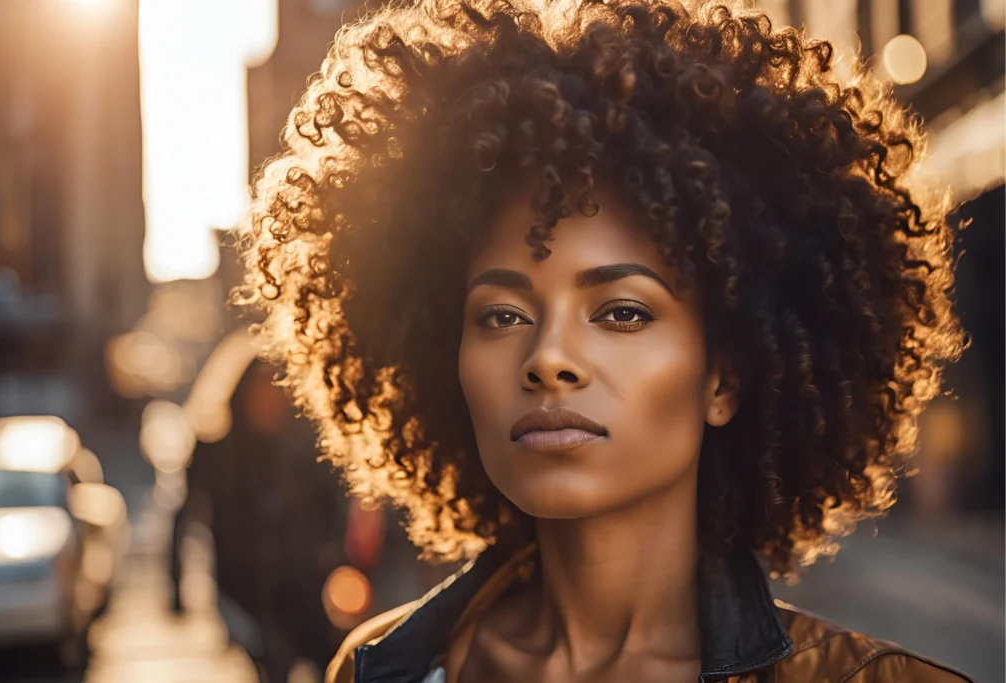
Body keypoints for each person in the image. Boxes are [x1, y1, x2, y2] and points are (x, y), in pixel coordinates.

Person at [235, 0, 973, 680]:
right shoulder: (377, 667)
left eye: (622, 312)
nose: (548, 358)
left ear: (725, 376)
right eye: (501, 315)